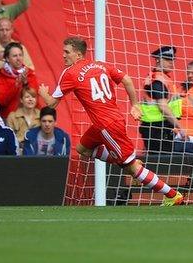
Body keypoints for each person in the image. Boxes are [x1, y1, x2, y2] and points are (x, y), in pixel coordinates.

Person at [38, 37, 184, 206]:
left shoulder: (70, 73)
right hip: (105, 123)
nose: (63, 55)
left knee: (132, 169)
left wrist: (43, 92)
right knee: (83, 149)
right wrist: (134, 105)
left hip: (107, 126)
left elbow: (52, 104)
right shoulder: (102, 65)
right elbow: (127, 80)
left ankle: (172, 194)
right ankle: (124, 159)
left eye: (67, 52)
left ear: (78, 54)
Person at [139, 46, 183, 154]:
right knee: (161, 164)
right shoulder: (158, 80)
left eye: (172, 60)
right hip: (157, 129)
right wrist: (180, 127)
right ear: (158, 59)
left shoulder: (162, 78)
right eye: (167, 59)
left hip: (157, 128)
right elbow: (163, 106)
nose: (171, 63)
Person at [0, 42, 38, 119]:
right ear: (7, 58)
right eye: (15, 56)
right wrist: (16, 85)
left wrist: (25, 83)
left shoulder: (30, 74)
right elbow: (1, 101)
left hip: (31, 118)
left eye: (20, 55)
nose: (18, 58)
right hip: (11, 119)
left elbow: (35, 96)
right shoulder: (0, 77)